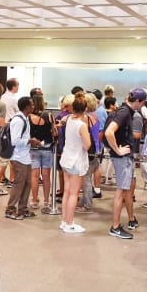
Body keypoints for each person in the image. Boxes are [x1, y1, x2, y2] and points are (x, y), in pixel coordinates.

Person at [104, 88, 147, 240]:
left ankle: (116, 225)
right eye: (142, 103)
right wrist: (118, 150)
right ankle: (115, 226)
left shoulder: (123, 111)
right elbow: (109, 132)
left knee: (122, 191)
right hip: (122, 158)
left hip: (121, 157)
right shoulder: (124, 113)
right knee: (121, 192)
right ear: (138, 101)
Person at [59, 93, 91, 233]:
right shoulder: (81, 125)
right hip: (76, 162)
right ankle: (70, 223)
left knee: (67, 192)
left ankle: (64, 221)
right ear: (85, 109)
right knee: (74, 193)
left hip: (66, 159)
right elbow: (87, 145)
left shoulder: (68, 119)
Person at [6, 96, 41, 220]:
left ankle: (22, 209)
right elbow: (15, 141)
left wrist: (29, 141)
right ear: (26, 107)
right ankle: (10, 209)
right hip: (18, 157)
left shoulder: (25, 118)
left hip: (25, 156)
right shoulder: (18, 120)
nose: (33, 106)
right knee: (18, 184)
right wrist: (30, 141)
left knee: (27, 183)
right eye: (31, 105)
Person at [28, 94, 55, 212]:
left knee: (34, 176)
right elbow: (54, 132)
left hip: (33, 149)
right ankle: (46, 201)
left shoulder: (28, 117)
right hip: (47, 148)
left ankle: (34, 200)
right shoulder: (49, 115)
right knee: (46, 176)